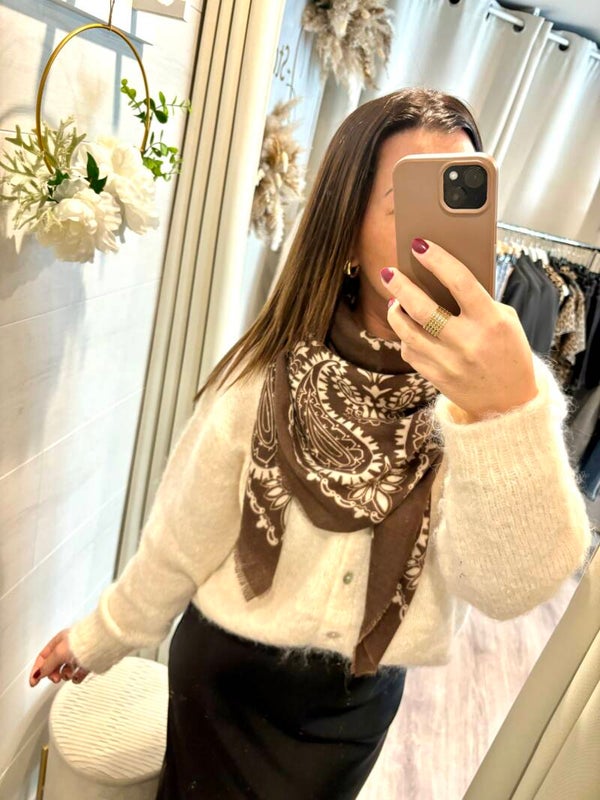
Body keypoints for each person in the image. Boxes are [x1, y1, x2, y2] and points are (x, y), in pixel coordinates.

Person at [29, 88, 591, 799]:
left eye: (464, 203)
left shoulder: (499, 393)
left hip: (355, 705)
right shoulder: (264, 376)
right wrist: (100, 637)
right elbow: (181, 541)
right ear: (347, 230)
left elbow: (509, 589)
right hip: (226, 679)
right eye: (413, 205)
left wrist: (503, 412)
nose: (444, 236)